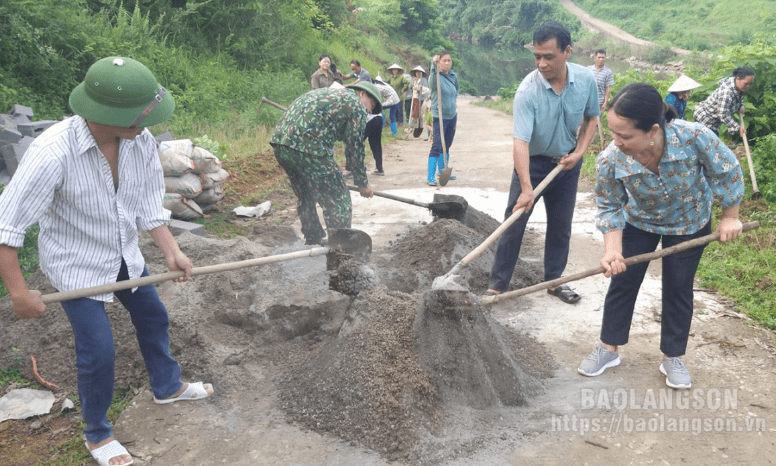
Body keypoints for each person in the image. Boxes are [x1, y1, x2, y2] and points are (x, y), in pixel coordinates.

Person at [0, 56, 214, 466]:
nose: (145, 127)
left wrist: (172, 250)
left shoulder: (140, 140)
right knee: (98, 350)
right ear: (109, 114)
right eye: (138, 119)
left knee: (153, 317)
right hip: (77, 266)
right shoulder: (52, 153)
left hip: (122, 254)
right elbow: (6, 227)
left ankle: (166, 387)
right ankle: (97, 434)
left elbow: (149, 202)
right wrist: (18, 292)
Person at [577, 83, 744, 389]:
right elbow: (610, 206)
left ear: (653, 130)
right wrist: (612, 250)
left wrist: (730, 217)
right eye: (613, 133)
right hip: (640, 222)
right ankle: (608, 348)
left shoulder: (694, 137)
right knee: (623, 281)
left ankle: (672, 356)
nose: (617, 142)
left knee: (678, 286)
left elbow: (727, 170)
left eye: (625, 136)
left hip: (689, 222)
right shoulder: (611, 159)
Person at [484, 21, 599, 303]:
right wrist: (526, 187)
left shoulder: (585, 81)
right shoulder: (527, 91)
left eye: (549, 56)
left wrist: (580, 152)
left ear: (567, 52)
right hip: (533, 165)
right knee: (515, 221)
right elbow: (520, 142)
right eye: (537, 56)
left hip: (567, 163)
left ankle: (554, 281)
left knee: (561, 225)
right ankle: (497, 285)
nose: (542, 63)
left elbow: (592, 119)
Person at [270, 83, 379, 245]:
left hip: (280, 143)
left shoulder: (331, 95)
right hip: (308, 146)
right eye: (372, 106)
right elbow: (354, 145)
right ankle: (341, 249)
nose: (369, 111)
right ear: (362, 94)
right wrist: (362, 182)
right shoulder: (356, 104)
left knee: (306, 194)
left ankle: (313, 238)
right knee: (338, 198)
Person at [426, 50, 459, 186]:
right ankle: (430, 176)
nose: (447, 63)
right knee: (437, 146)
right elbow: (432, 83)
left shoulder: (452, 76)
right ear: (439, 62)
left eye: (449, 60)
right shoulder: (435, 76)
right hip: (439, 117)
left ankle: (442, 170)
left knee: (448, 144)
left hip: (452, 116)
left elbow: (456, 89)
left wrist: (453, 101)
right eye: (444, 60)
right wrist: (433, 65)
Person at [694, 67, 754, 137]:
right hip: (705, 118)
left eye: (750, 84)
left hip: (714, 120)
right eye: (746, 83)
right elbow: (723, 114)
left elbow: (739, 95)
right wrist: (738, 128)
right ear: (738, 79)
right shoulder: (726, 92)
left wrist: (741, 105)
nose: (748, 86)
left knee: (711, 143)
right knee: (708, 143)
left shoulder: (738, 86)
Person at [385, 64, 409, 136]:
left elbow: (407, 83)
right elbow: (386, 83)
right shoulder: (391, 78)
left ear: (398, 71)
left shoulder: (401, 77)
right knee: (393, 111)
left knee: (399, 111)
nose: (394, 71)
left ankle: (400, 124)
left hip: (399, 97)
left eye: (395, 70)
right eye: (393, 70)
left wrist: (403, 89)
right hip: (392, 98)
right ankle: (394, 124)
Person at [407, 66, 429, 134]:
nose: (418, 74)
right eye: (417, 73)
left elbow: (425, 89)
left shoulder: (423, 80)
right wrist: (412, 83)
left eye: (419, 73)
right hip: (414, 97)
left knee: (416, 112)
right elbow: (410, 87)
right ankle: (419, 125)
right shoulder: (414, 79)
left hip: (420, 98)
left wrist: (419, 88)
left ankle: (412, 126)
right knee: (416, 112)